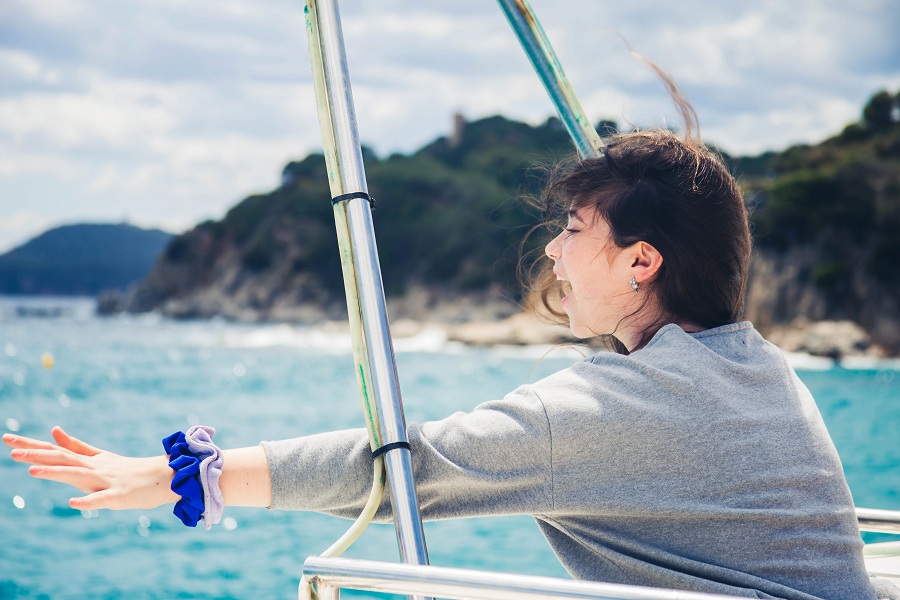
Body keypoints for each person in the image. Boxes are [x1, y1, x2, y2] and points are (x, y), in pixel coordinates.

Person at [4, 110, 889, 599]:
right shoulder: (758, 367)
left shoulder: (616, 409)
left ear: (641, 261)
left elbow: (401, 467)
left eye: (574, 230)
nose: (553, 253)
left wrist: (180, 477)